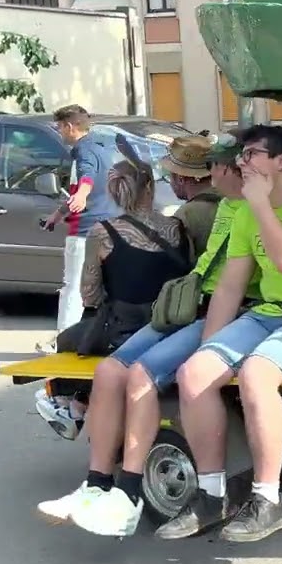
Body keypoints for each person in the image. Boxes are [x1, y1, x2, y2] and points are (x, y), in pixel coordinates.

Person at [43, 137, 259, 537]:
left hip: (208, 311)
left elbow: (234, 285)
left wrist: (210, 338)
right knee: (109, 371)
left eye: (219, 167)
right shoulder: (215, 211)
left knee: (134, 370)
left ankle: (127, 493)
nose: (213, 174)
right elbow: (201, 268)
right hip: (183, 307)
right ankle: (96, 485)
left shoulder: (238, 212)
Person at [156, 125, 282, 543]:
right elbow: (230, 285)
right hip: (270, 311)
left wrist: (261, 206)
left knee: (256, 374)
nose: (240, 163)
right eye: (241, 156)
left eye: (251, 155)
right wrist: (209, 348)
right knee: (193, 375)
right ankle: (211, 496)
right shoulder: (246, 211)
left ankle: (267, 500)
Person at [33, 154, 192, 444]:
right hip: (175, 324)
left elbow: (89, 293)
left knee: (70, 340)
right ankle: (81, 406)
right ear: (150, 189)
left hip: (125, 330)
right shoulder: (176, 228)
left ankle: (75, 407)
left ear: (114, 193)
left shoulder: (102, 232)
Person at [39, 105, 120, 354]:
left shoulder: (83, 151)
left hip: (85, 229)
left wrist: (83, 195)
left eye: (60, 127)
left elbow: (87, 177)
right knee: (103, 288)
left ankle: (62, 342)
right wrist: (58, 214)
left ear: (70, 126)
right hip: (109, 227)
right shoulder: (102, 146)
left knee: (73, 287)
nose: (60, 133)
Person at [165, 135, 225, 258]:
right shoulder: (231, 200)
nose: (170, 182)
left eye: (170, 176)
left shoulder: (186, 215)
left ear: (180, 178)